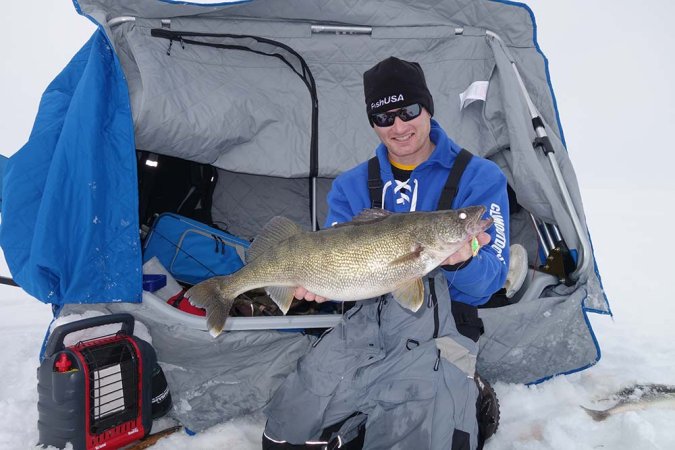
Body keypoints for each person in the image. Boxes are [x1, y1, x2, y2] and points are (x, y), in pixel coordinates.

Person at [262, 56, 510, 450]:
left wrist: (463, 259)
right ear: (372, 123)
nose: (398, 126)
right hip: (364, 322)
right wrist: (318, 285)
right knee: (284, 438)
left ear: (427, 107)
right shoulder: (350, 185)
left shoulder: (480, 178)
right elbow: (336, 261)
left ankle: (467, 390)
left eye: (408, 111)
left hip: (445, 327)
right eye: (383, 117)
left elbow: (488, 284)